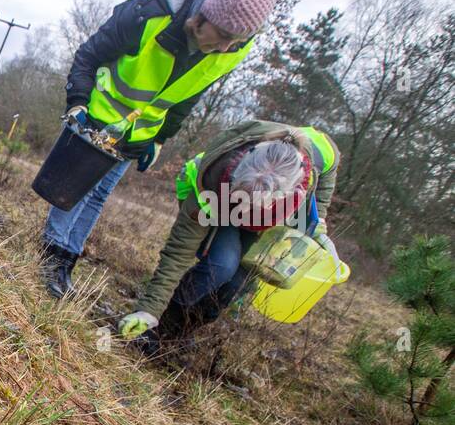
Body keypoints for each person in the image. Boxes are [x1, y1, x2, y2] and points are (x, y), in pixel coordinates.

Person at [41, 0, 278, 298]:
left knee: (97, 196)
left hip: (138, 134)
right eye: (224, 35)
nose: (226, 47)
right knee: (73, 188)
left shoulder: (236, 46)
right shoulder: (148, 13)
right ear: (207, 12)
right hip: (97, 116)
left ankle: (66, 262)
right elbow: (88, 56)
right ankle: (50, 256)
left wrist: (161, 138)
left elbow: (190, 94)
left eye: (236, 40)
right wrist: (78, 102)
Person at [117, 120, 340, 351]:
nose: (246, 209)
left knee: (236, 284)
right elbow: (177, 255)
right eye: (243, 199)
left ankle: (181, 333)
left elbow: (323, 189)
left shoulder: (320, 156)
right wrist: (148, 310)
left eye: (253, 206)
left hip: (266, 222)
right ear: (238, 170)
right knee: (221, 266)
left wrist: (316, 220)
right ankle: (159, 327)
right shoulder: (211, 179)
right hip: (219, 205)